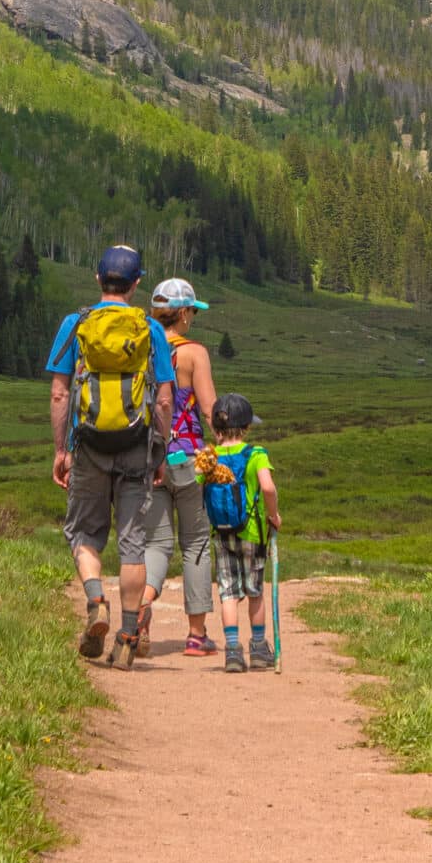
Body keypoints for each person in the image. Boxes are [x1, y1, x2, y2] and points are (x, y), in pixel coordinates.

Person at [46, 244, 175, 669]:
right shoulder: (150, 329)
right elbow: (164, 401)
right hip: (137, 448)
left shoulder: (75, 323)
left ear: (97, 278)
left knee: (83, 533)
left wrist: (61, 450)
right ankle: (125, 636)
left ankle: (96, 601)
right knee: (133, 545)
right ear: (137, 284)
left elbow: (60, 392)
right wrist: (160, 451)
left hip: (89, 447)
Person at [141, 277, 220, 658]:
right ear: (184, 313)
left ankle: (141, 608)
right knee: (195, 543)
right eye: (192, 312)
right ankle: (195, 634)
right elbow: (209, 410)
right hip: (188, 458)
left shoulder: (141, 347)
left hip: (147, 458)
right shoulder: (194, 354)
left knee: (154, 544)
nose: (193, 318)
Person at [204, 392, 280, 674]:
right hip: (252, 533)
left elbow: (196, 482)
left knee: (227, 593)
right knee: (255, 591)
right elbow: (268, 488)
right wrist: (273, 516)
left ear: (216, 427)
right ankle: (259, 648)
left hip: (221, 534)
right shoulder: (256, 454)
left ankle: (233, 652)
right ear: (246, 427)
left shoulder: (209, 457)